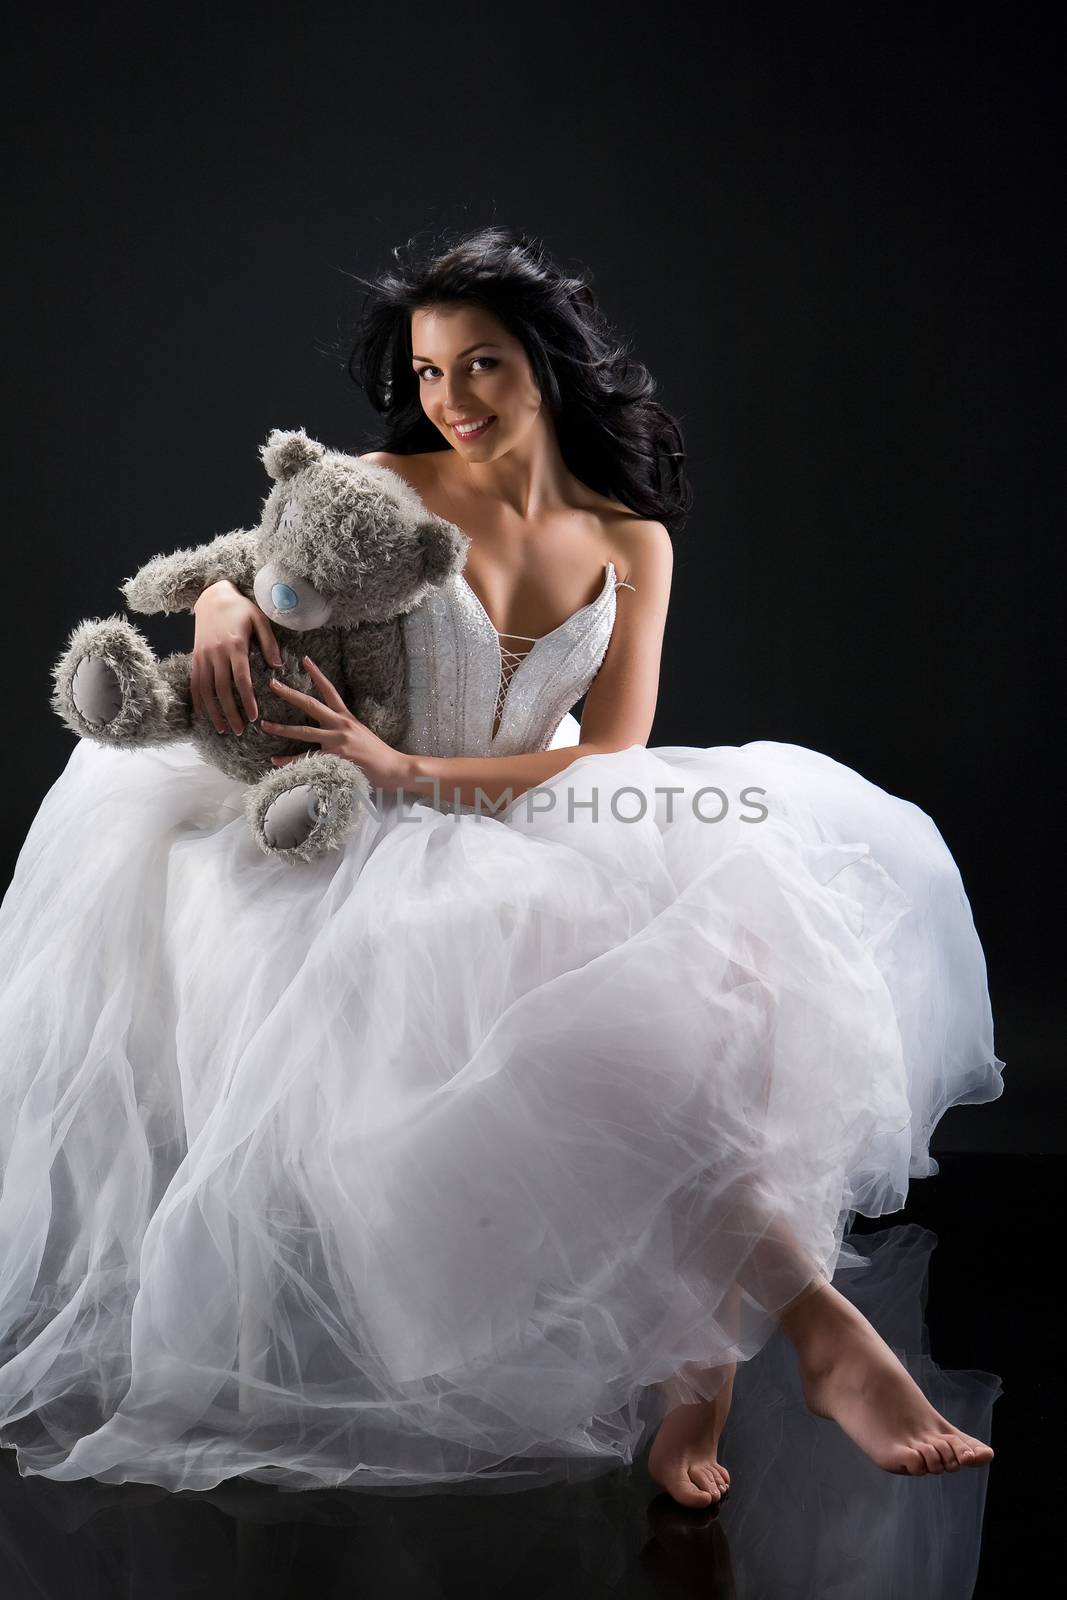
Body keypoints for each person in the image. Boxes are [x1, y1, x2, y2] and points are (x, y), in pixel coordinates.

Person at [0, 225, 1003, 1504]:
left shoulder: (630, 538)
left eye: (478, 366)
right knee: (593, 1030)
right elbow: (250, 567)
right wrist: (217, 606)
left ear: (545, 361)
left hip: (510, 803)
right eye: (424, 373)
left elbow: (619, 751)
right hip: (338, 828)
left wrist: (419, 774)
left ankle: (705, 1388)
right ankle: (806, 1336)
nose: (448, 401)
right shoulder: (383, 482)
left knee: (719, 995)